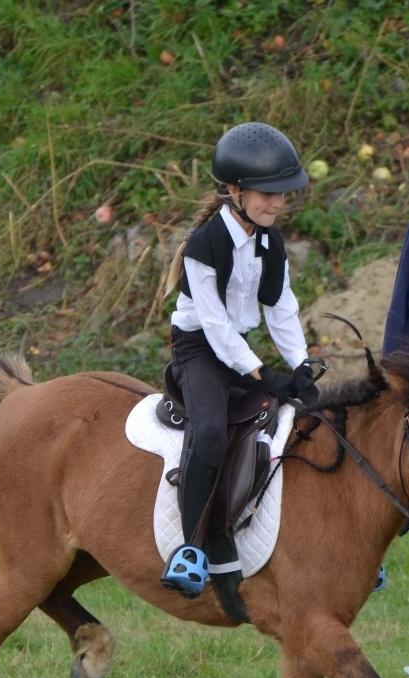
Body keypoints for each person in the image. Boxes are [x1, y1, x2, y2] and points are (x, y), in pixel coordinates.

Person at [158, 122, 319, 598]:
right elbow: (214, 326)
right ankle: (191, 547)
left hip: (238, 350)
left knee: (309, 420)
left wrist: (302, 363)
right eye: (266, 195)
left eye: (282, 195)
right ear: (234, 191)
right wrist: (263, 373)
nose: (275, 204)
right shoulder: (204, 245)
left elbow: (282, 306)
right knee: (208, 431)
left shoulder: (271, 241)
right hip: (201, 352)